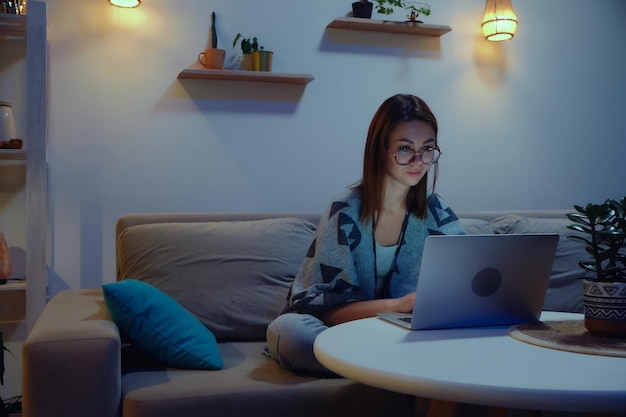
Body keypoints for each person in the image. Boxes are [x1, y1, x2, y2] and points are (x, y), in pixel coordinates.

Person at [266, 93, 467, 376]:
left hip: (401, 334)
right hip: (342, 331)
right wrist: (398, 305)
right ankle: (397, 367)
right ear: (380, 150)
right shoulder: (345, 209)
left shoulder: (436, 211)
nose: (418, 161)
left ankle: (378, 366)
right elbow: (323, 310)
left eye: (428, 149)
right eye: (405, 148)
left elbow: (471, 279)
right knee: (294, 335)